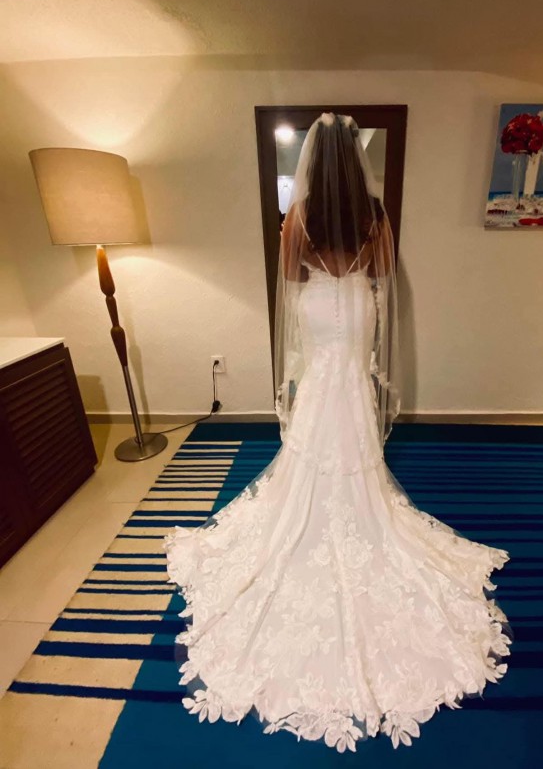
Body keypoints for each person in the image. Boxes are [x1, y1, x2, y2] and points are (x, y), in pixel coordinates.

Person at [165, 112, 513, 753]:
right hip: (356, 309)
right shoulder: (375, 217)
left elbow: (291, 283)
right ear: (354, 160)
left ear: (312, 161)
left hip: (322, 312)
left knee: (321, 391)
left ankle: (314, 500)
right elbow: (380, 279)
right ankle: (359, 499)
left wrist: (314, 281)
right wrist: (352, 284)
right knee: (352, 386)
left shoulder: (298, 220)